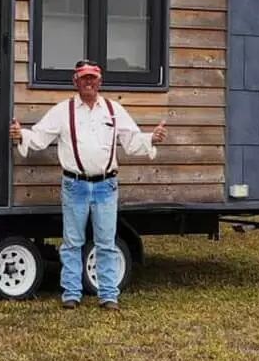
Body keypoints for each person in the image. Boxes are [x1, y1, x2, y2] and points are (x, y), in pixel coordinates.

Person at [9, 59, 167, 310]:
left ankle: (108, 295)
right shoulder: (63, 111)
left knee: (106, 242)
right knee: (72, 243)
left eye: (93, 77)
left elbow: (132, 140)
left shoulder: (113, 110)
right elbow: (38, 137)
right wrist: (21, 135)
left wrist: (152, 138)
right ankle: (71, 294)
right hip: (75, 185)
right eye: (84, 78)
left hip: (106, 186)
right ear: (76, 82)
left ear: (100, 82)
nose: (89, 82)